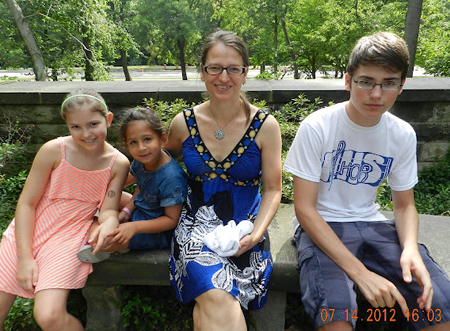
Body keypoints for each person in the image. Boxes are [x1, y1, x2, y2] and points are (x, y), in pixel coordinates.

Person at [284, 32, 450, 331]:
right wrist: (360, 274)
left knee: (438, 303)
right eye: (366, 81)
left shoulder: (401, 133)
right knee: (335, 313)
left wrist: (410, 248)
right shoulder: (318, 126)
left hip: (373, 223)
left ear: (401, 86)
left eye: (388, 83)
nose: (376, 94)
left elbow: (404, 206)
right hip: (322, 224)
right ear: (348, 81)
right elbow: (304, 210)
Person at [165, 30, 282, 331]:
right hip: (195, 229)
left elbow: (273, 189)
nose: (223, 77)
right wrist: (118, 203)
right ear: (202, 72)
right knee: (216, 293)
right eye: (214, 67)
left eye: (233, 68)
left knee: (208, 309)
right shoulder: (183, 123)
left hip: (246, 228)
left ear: (245, 73)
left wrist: (255, 235)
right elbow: (156, 165)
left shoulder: (265, 127)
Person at [0, 89, 130, 331]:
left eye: (93, 124)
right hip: (30, 230)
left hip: (69, 237)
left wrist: (110, 222)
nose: (86, 133)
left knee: (49, 316)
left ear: (108, 119)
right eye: (76, 127)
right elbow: (27, 203)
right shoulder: (54, 150)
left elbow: (109, 209)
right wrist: (25, 257)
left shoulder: (118, 163)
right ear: (67, 126)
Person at [77, 107, 188, 263]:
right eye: (133, 142)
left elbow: (171, 219)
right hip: (140, 211)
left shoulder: (171, 177)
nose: (141, 148)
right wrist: (127, 212)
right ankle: (98, 228)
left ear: (162, 139)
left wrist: (133, 227)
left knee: (105, 241)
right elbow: (141, 189)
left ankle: (98, 238)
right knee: (107, 196)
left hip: (155, 231)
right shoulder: (142, 161)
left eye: (147, 139)